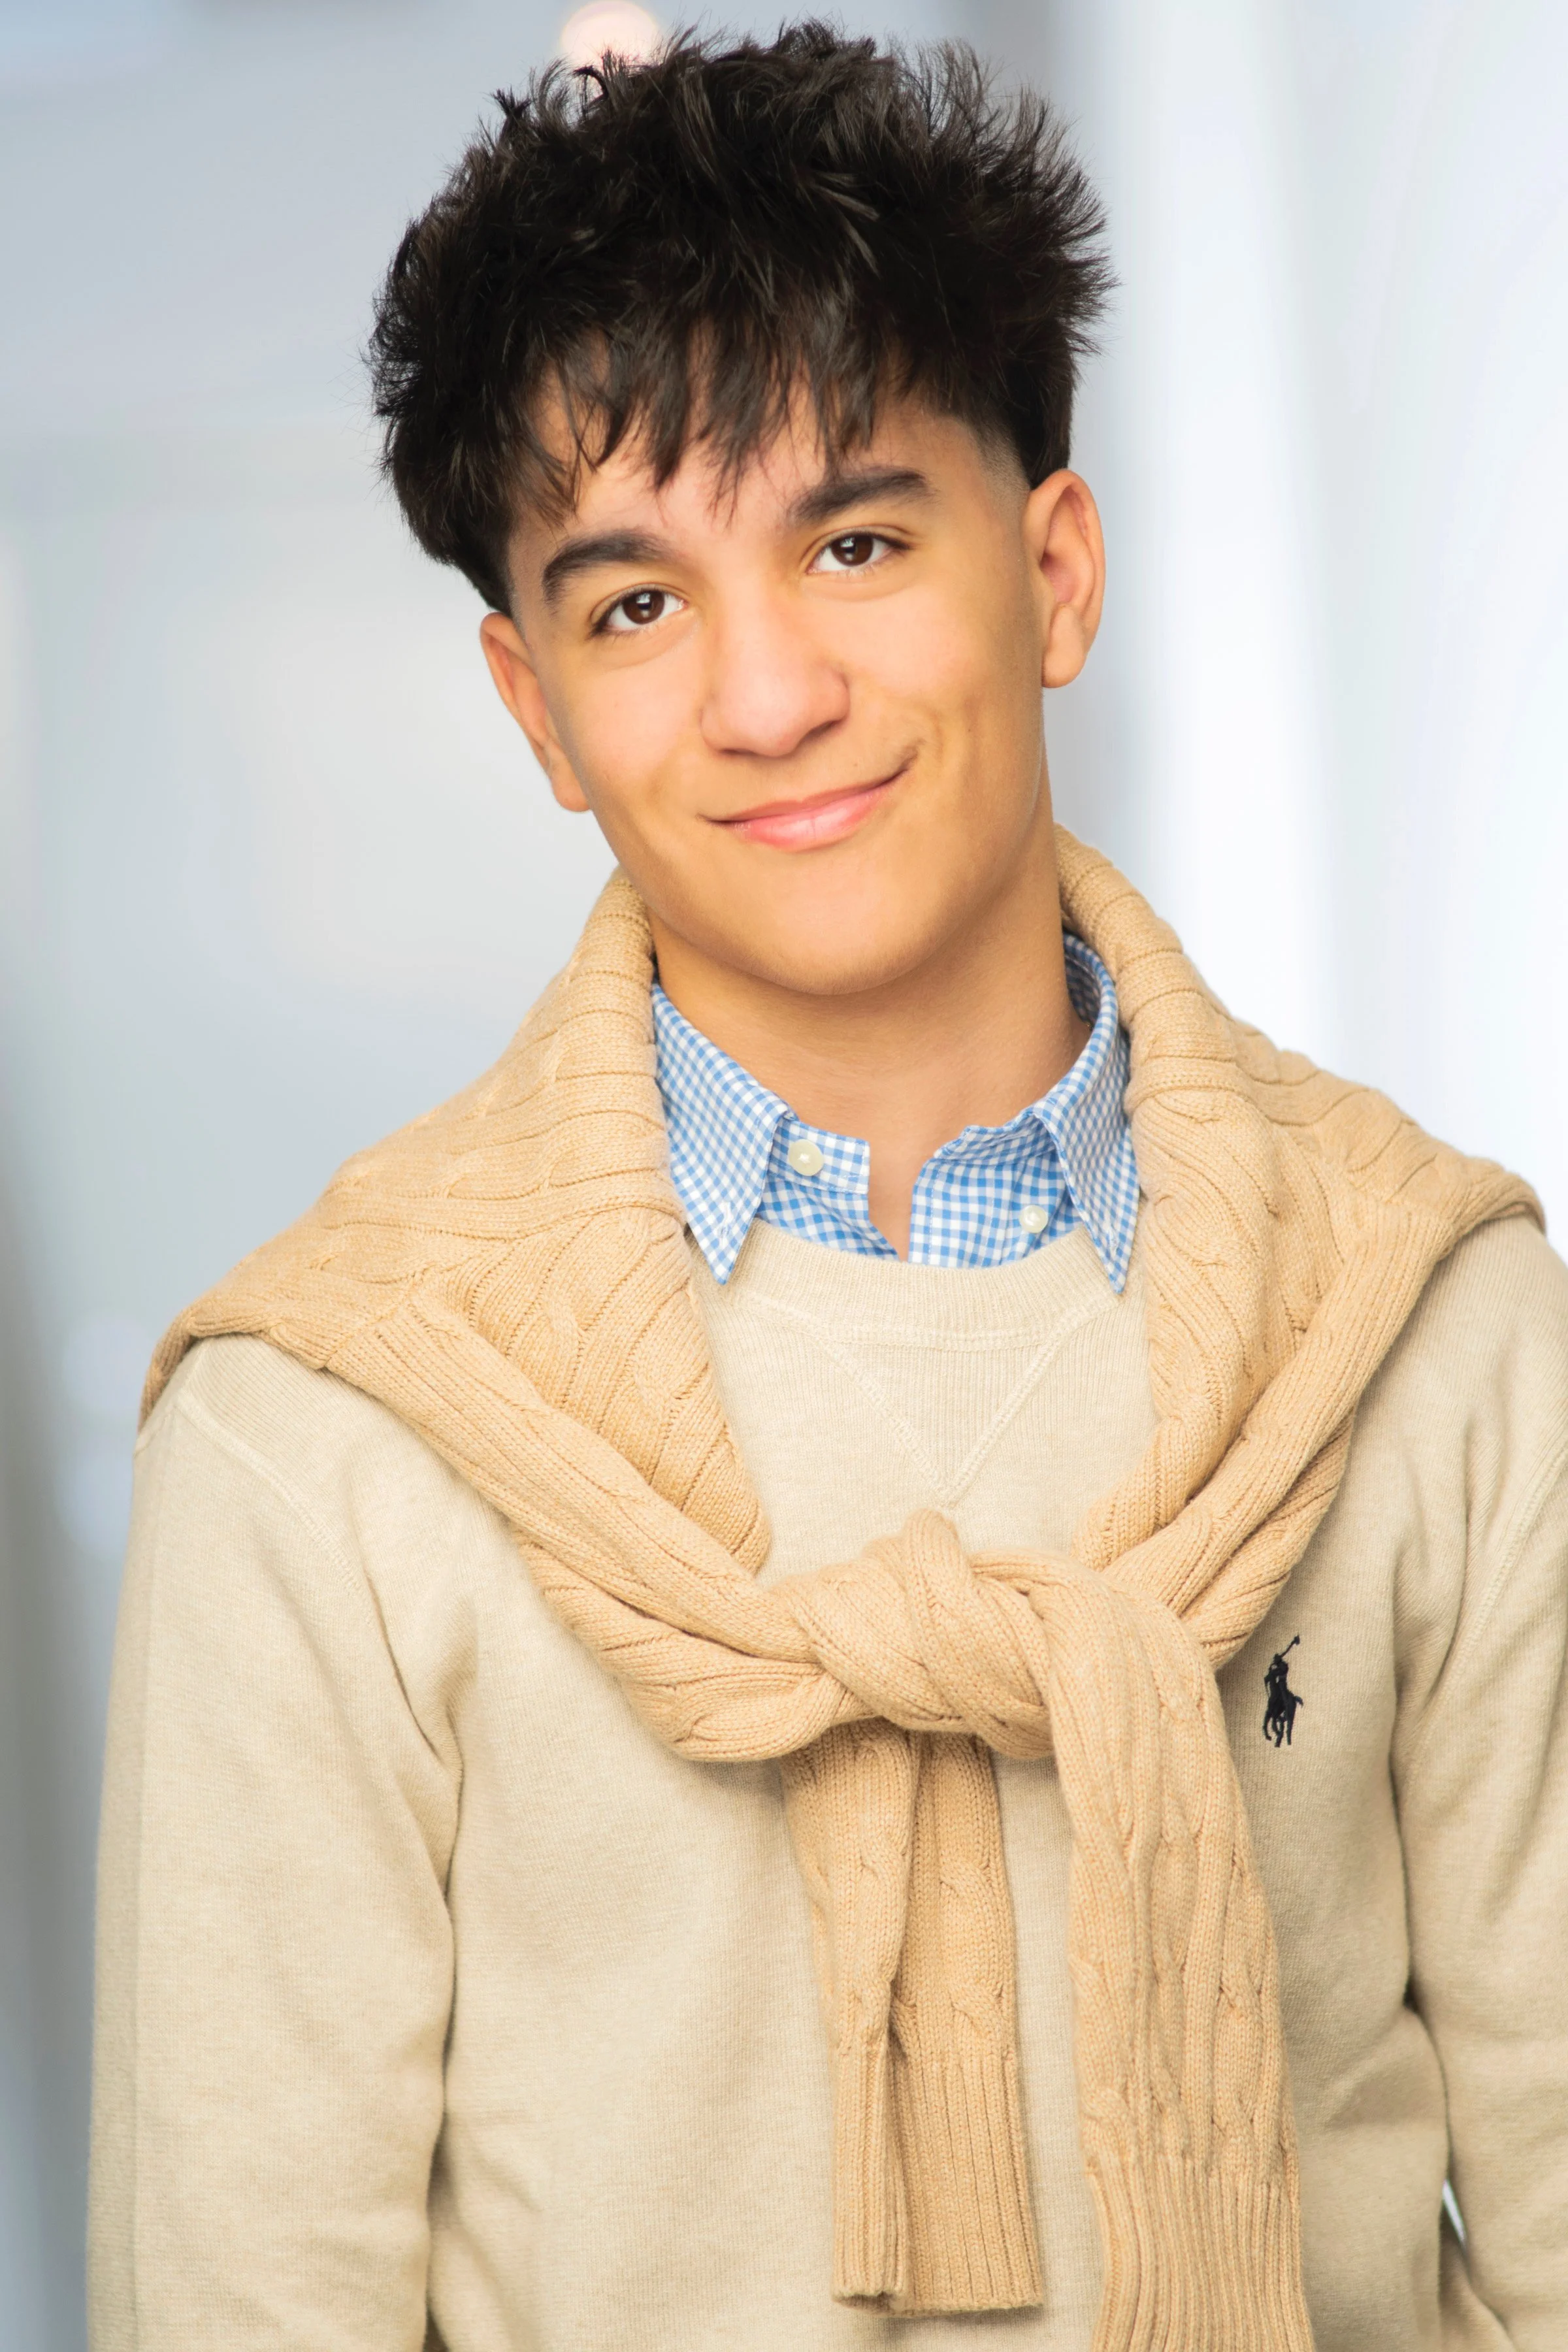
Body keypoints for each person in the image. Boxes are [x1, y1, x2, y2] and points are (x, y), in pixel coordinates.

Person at [88, 25, 1568, 2352]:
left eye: (855, 542)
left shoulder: (1433, 1324)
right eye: (636, 605)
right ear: (534, 708)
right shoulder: (320, 1436)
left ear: (1052, 572)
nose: (767, 694)